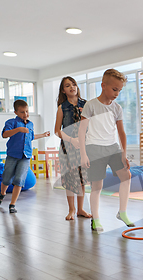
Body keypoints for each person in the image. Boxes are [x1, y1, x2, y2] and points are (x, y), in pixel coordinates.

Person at [79, 69, 134, 232]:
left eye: (120, 90)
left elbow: (121, 133)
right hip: (94, 148)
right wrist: (83, 154)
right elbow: (82, 130)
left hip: (113, 148)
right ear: (103, 86)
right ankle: (95, 219)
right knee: (97, 186)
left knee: (126, 176)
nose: (117, 93)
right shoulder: (91, 105)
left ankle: (122, 212)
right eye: (114, 89)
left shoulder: (117, 108)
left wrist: (124, 154)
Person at [0, 99, 50, 213]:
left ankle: (12, 204)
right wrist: (18, 129)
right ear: (16, 112)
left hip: (25, 157)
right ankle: (2, 193)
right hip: (12, 155)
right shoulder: (11, 122)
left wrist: (43, 135)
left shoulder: (30, 124)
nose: (25, 114)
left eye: (27, 111)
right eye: (22, 112)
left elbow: (31, 137)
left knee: (19, 180)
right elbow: (5, 135)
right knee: (6, 178)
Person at [54, 76, 92, 220]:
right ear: (63, 90)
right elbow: (57, 130)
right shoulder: (62, 107)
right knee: (70, 179)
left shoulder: (86, 104)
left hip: (84, 146)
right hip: (67, 147)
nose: (72, 87)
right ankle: (71, 209)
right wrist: (71, 140)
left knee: (82, 179)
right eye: (68, 85)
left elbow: (91, 125)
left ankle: (80, 209)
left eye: (74, 84)